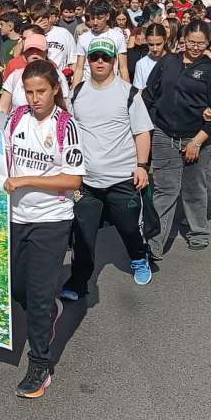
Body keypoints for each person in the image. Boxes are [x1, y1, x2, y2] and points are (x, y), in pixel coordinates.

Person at [3, 60, 83, 398]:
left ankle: (39, 366)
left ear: (54, 90)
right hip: (16, 217)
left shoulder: (66, 125)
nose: (35, 99)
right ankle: (50, 309)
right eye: (29, 92)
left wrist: (26, 180)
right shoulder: (16, 118)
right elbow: (2, 157)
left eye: (41, 92)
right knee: (16, 287)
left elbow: (73, 179)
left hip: (52, 220)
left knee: (37, 295)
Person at [64, 38, 155, 303]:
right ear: (89, 61)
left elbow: (142, 132)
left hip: (122, 178)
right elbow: (68, 131)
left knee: (129, 229)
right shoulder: (77, 92)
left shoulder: (129, 93)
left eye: (105, 57)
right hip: (87, 181)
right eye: (94, 57)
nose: (100, 62)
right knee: (82, 237)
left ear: (115, 60)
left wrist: (142, 166)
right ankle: (79, 281)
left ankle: (139, 258)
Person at [142, 21, 211, 256]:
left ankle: (198, 231)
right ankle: (154, 242)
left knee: (194, 188)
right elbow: (150, 93)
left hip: (197, 137)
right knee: (165, 190)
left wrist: (197, 142)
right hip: (164, 133)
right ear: (183, 39)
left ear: (208, 43)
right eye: (191, 42)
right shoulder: (168, 62)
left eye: (201, 43)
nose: (195, 47)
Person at [0, 32, 72, 112]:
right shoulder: (15, 76)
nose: (35, 53)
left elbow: (65, 105)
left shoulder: (57, 75)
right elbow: (3, 108)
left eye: (39, 50)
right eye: (30, 50)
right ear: (25, 53)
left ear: (46, 52)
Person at [75, 1, 128, 84]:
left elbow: (123, 68)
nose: (95, 22)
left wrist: (127, 89)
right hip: (88, 85)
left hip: (111, 85)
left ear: (107, 16)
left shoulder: (118, 36)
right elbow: (79, 68)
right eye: (92, 18)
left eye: (99, 18)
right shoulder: (83, 38)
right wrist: (74, 90)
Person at [132, 22, 168, 91]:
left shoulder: (174, 61)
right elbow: (137, 91)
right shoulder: (141, 64)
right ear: (146, 41)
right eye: (151, 45)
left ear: (165, 40)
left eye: (158, 44)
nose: (155, 49)